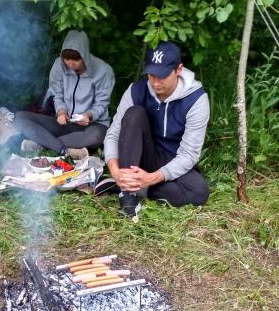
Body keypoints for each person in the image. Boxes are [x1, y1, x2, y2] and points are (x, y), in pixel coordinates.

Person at [98, 41, 210, 217]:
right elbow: (113, 134)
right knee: (134, 113)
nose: (156, 83)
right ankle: (128, 196)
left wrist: (151, 178)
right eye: (151, 75)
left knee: (198, 192)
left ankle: (136, 187)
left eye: (162, 76)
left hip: (173, 159)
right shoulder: (136, 90)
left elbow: (189, 155)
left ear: (178, 70)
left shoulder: (196, 99)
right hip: (140, 154)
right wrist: (114, 169)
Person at [14, 30, 114, 159]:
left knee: (98, 135)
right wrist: (61, 112)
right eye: (67, 59)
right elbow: (58, 95)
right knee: (20, 117)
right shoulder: (58, 65)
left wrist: (88, 115)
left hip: (91, 125)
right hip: (65, 123)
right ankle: (64, 149)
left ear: (84, 56)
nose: (70, 64)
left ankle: (43, 143)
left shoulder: (103, 71)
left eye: (76, 60)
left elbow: (101, 103)